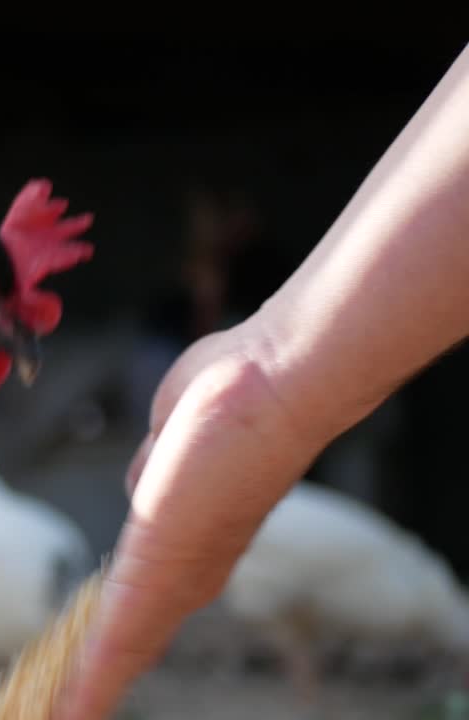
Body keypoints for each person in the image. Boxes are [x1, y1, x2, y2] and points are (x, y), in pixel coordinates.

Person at [59, 41, 469, 720]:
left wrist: (274, 383)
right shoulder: (176, 303)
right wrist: (273, 379)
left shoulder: (261, 268)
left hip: (283, 448)